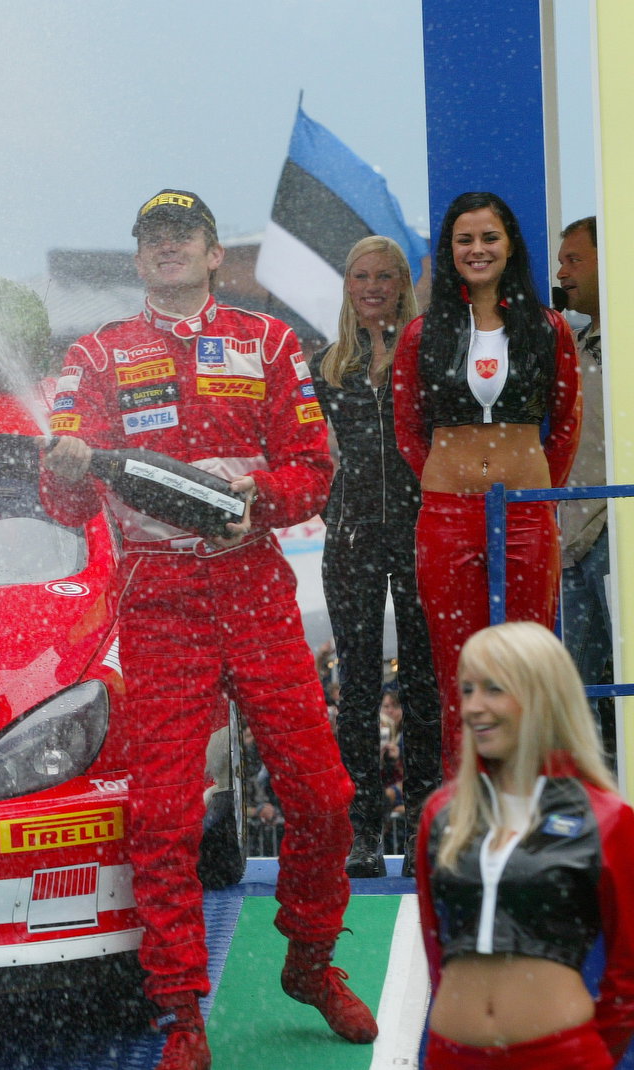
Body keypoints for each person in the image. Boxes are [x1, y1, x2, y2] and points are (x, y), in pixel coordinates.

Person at [43, 189, 376, 1069]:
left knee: (324, 796)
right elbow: (64, 497)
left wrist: (256, 497)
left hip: (255, 588)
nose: (169, 249)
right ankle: (181, 1008)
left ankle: (310, 960)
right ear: (138, 255)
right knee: (161, 814)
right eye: (154, 237)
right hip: (158, 602)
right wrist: (71, 467)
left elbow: (312, 469)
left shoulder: (267, 342)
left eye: (184, 235)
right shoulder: (97, 354)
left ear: (215, 252)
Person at [393, 191, 580, 777]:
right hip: (447, 516)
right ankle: (468, 808)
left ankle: (535, 802)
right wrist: (448, 479)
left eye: (489, 238)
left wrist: (528, 487)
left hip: (525, 513)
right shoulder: (421, 335)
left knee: (528, 662)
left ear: (510, 247)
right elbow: (408, 430)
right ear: (449, 251)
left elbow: (566, 424)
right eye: (464, 239)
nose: (478, 250)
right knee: (460, 667)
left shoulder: (549, 328)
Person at [416, 621, 634, 1068]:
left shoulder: (607, 817)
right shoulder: (442, 814)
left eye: (494, 689)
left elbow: (628, 971)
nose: (474, 707)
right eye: (468, 689)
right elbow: (436, 947)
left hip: (560, 1055)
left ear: (543, 696)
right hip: (451, 1055)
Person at [310, 236, 440, 878]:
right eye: (360, 275)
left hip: (420, 533)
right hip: (353, 539)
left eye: (384, 276)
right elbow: (305, 456)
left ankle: (424, 829)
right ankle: (360, 835)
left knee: (424, 685)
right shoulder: (325, 365)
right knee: (357, 689)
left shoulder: (427, 353)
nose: (371, 287)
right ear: (346, 284)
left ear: (401, 284)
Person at [555, 217, 613, 758]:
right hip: (572, 535)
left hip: (618, 528)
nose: (561, 272)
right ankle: (597, 812)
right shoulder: (569, 342)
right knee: (576, 690)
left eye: (574, 260)